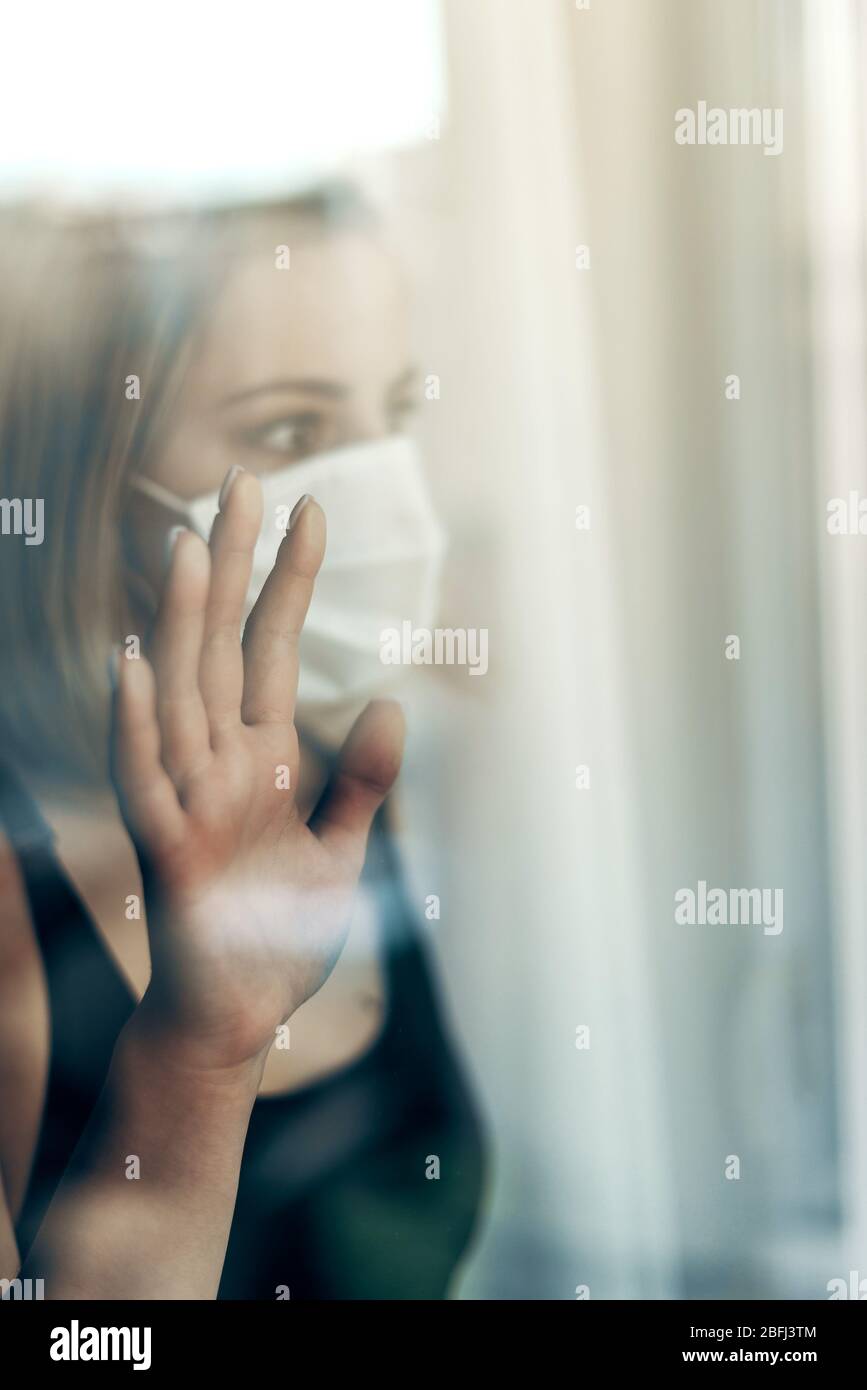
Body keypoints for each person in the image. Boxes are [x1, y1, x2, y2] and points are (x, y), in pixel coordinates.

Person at [0, 186, 486, 1300]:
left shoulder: (341, 790)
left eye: (396, 412)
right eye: (290, 431)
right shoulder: (20, 917)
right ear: (92, 476)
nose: (374, 499)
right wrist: (199, 1055)